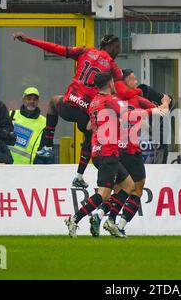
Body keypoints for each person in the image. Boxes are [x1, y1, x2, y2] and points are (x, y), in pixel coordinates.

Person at [13, 32, 141, 188]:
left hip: (70, 105)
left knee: (54, 102)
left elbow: (55, 48)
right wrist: (139, 94)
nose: (118, 51)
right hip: (87, 112)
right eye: (117, 48)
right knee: (90, 132)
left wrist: (28, 39)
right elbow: (123, 92)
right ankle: (79, 175)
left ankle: (47, 146)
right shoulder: (112, 66)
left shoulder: (84, 51)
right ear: (112, 48)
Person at [64, 72, 155, 238]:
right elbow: (127, 115)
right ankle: (74, 219)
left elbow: (92, 126)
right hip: (108, 152)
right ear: (110, 83)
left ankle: (109, 220)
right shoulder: (110, 100)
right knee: (103, 195)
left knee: (129, 186)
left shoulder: (94, 101)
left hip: (99, 150)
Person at [90, 69, 171, 238]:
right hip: (130, 148)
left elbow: (91, 126)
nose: (136, 80)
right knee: (137, 188)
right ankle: (117, 224)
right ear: (124, 81)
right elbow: (161, 112)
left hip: (114, 149)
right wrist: (165, 102)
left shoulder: (111, 99)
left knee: (121, 189)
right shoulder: (132, 99)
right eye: (133, 78)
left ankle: (101, 215)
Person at [9, 87, 46, 164]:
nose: (32, 101)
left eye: (35, 99)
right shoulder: (11, 115)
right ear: (23, 100)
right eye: (29, 99)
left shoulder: (44, 122)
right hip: (7, 165)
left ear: (38, 101)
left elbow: (44, 147)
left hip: (29, 168)